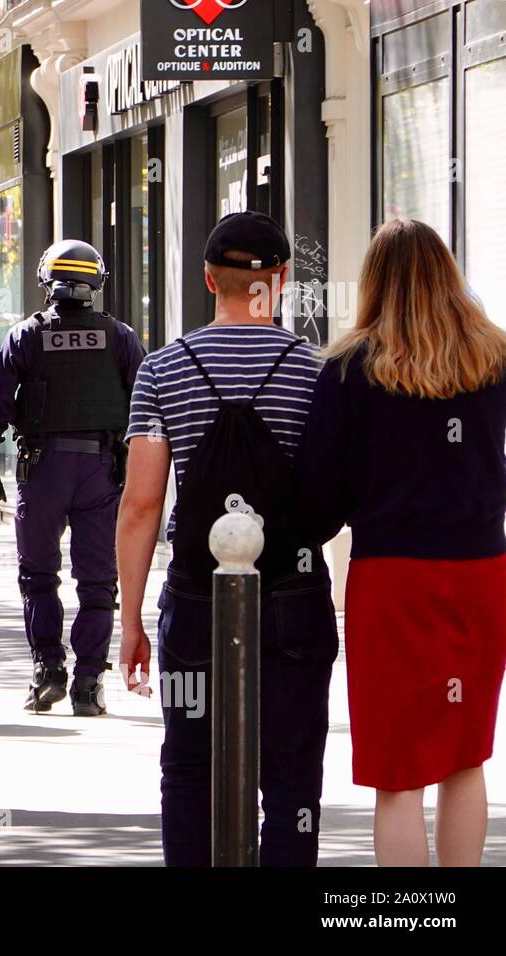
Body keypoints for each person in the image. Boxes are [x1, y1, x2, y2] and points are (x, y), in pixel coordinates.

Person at [116, 211, 338, 866]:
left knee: (189, 769)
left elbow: (141, 503)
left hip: (195, 601)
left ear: (209, 278)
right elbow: (329, 494)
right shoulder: (315, 372)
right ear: (281, 281)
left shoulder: (162, 371)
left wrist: (130, 619)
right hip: (294, 596)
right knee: (293, 780)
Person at [296, 219, 506, 866]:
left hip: (391, 577)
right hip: (480, 571)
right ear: (448, 276)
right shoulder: (492, 357)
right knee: (465, 756)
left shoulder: (350, 369)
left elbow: (317, 497)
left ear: (375, 283)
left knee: (398, 773)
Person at [0, 240, 144, 715]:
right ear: (97, 282)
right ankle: (89, 681)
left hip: (43, 468)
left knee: (38, 576)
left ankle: (47, 670)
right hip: (101, 472)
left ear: (45, 280)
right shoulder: (121, 337)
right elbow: (145, 403)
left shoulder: (25, 336)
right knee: (97, 581)